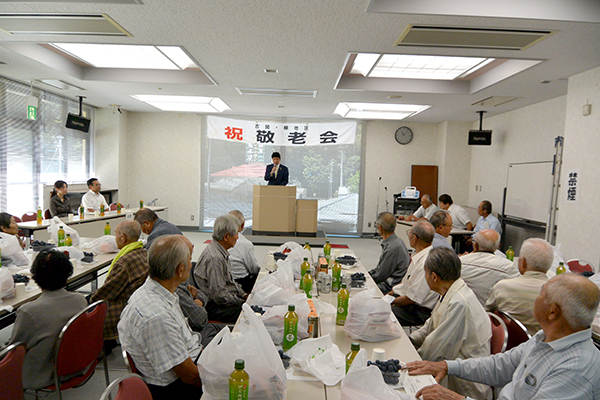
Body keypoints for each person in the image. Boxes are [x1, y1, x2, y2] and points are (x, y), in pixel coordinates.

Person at [406, 273, 600, 400]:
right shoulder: (546, 338)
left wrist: (457, 399)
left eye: (541, 294)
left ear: (552, 312)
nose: (536, 298)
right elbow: (500, 366)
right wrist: (447, 366)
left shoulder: (576, 370)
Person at [118, 235, 203, 400]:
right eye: (190, 260)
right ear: (180, 270)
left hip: (189, 360)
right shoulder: (156, 316)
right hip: (177, 388)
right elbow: (190, 377)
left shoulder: (159, 290)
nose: (191, 264)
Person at [410, 247, 492, 400]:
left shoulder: (459, 302)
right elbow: (431, 325)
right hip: (453, 364)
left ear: (434, 277)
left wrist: (408, 359)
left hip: (465, 384)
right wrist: (411, 340)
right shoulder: (450, 290)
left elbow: (438, 347)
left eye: (425, 273)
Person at [9, 250, 87, 390]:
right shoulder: (80, 300)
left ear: (35, 276)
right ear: (68, 273)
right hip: (76, 365)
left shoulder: (29, 311)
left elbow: (14, 350)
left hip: (43, 374)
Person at [90, 220, 148, 352]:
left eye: (115, 234)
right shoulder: (144, 252)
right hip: (136, 304)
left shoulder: (124, 263)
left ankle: (100, 345)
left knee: (86, 304)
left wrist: (89, 300)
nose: (114, 237)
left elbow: (103, 295)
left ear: (123, 238)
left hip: (122, 308)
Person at [486, 238, 553, 336]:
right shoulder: (555, 293)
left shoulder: (502, 286)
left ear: (523, 262)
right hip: (542, 346)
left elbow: (487, 315)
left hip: (508, 344)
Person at [192, 214, 246, 322]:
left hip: (220, 299)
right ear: (226, 237)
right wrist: (242, 302)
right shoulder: (215, 258)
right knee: (248, 314)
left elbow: (230, 282)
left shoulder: (219, 251)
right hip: (213, 306)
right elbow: (219, 296)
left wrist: (243, 295)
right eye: (236, 234)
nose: (237, 237)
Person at [175, 235, 226, 347]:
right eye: (189, 258)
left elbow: (202, 294)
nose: (191, 263)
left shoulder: (179, 280)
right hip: (196, 332)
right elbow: (200, 319)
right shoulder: (176, 289)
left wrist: (197, 300)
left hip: (199, 325)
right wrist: (196, 302)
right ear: (180, 267)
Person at [390, 220, 439, 326]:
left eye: (409, 233)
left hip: (419, 311)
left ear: (415, 238)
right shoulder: (420, 255)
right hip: (411, 303)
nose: (408, 236)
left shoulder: (425, 264)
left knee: (381, 314)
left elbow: (411, 299)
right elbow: (405, 284)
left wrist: (390, 301)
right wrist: (390, 294)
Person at [460, 229, 519, 305]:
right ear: (497, 247)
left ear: (475, 245)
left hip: (465, 308)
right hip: (492, 312)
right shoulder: (507, 266)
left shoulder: (460, 262)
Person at [368, 212, 411, 293]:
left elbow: (380, 276)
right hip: (392, 282)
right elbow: (379, 269)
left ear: (380, 228)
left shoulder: (392, 249)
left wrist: (366, 279)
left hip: (389, 287)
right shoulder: (396, 242)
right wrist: (368, 274)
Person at [227, 210, 260, 293]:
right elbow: (254, 269)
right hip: (241, 283)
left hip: (223, 282)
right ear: (242, 225)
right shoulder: (246, 244)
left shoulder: (219, 241)